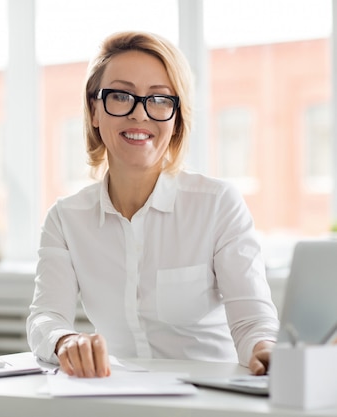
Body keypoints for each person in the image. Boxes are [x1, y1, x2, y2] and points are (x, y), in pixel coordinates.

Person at [26, 31, 279, 379]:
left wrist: (267, 350)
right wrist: (64, 340)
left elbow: (254, 322)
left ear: (176, 120)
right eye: (120, 95)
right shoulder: (65, 219)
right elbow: (45, 316)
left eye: (159, 99)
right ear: (94, 110)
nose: (139, 115)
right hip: (117, 396)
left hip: (208, 399)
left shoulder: (217, 205)